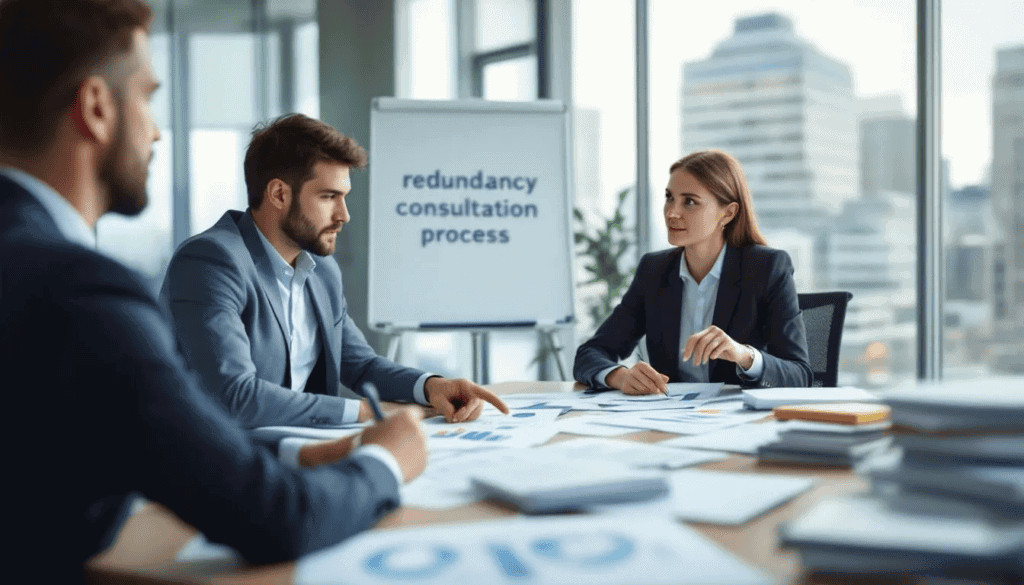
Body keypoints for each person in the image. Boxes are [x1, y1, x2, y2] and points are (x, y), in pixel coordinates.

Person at [0, 1, 428, 581]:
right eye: (147, 98)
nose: (156, 130)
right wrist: (386, 458)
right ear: (98, 108)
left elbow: (139, 438)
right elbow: (275, 516)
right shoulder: (80, 293)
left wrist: (305, 450)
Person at [160, 113, 509, 428]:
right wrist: (365, 412)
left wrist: (432, 386)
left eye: (344, 197)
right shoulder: (211, 262)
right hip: (215, 466)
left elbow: (360, 365)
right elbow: (234, 396)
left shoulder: (321, 269)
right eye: (329, 197)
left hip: (296, 453)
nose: (344, 215)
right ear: (279, 194)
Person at [574, 150, 812, 394]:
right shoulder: (654, 271)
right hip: (671, 419)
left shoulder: (767, 268)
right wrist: (619, 376)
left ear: (727, 213)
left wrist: (744, 355)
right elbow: (590, 354)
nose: (671, 212)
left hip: (737, 421)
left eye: (689, 202)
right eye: (669, 198)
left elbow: (799, 375)